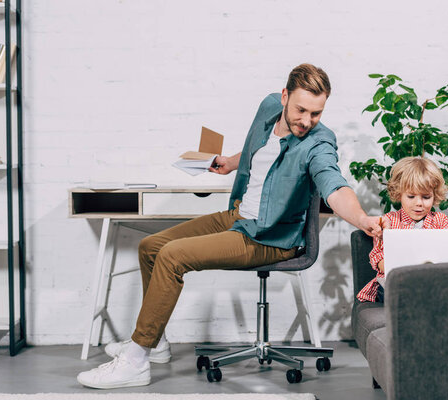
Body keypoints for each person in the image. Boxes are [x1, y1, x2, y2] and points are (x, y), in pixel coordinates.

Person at [77, 63, 384, 389]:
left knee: (172, 256)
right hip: (238, 216)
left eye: (316, 113)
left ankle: (136, 361)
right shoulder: (269, 106)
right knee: (150, 247)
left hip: (269, 236)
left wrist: (362, 218)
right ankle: (156, 342)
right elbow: (260, 144)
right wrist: (231, 163)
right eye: (301, 110)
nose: (307, 121)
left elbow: (334, 186)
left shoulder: (320, 143)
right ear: (284, 97)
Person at [356, 156, 448, 303]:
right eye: (411, 196)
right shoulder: (389, 221)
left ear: (434, 196)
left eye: (426, 197)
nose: (419, 203)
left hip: (431, 283)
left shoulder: (440, 221)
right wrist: (395, 267)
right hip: (395, 284)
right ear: (399, 194)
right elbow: (378, 256)